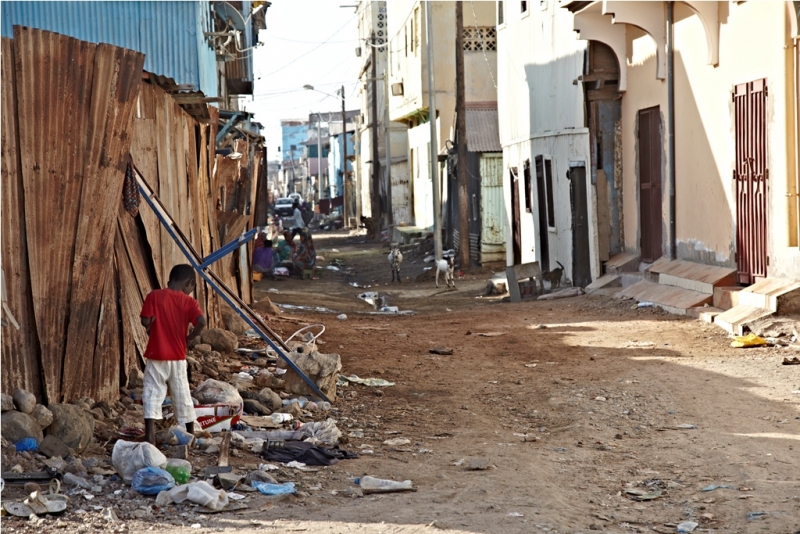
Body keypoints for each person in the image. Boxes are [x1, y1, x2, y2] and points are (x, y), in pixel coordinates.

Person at [140, 264, 206, 445]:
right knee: (182, 393)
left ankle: (150, 437)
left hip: (156, 354)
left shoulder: (154, 296)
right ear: (189, 283)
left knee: (152, 392)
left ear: (170, 281)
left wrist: (150, 322)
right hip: (178, 356)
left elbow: (145, 320)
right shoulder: (189, 302)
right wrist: (188, 338)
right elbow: (201, 322)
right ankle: (190, 435)